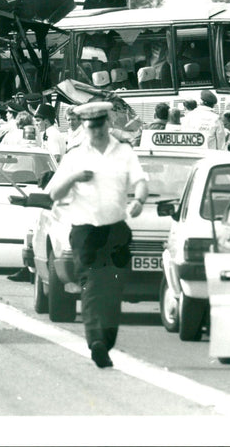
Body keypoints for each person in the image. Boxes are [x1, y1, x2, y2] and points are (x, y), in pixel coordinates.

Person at [45, 101, 148, 369]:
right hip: (86, 232)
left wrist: (138, 200)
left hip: (116, 231)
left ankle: (106, 340)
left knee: (113, 288)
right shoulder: (75, 156)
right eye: (91, 126)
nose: (96, 131)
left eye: (100, 125)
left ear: (108, 123)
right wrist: (74, 178)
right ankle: (96, 342)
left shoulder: (124, 153)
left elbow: (140, 181)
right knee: (91, 286)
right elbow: (54, 194)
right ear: (84, 127)